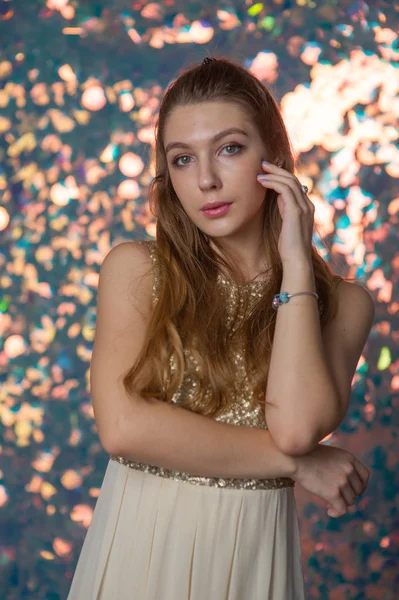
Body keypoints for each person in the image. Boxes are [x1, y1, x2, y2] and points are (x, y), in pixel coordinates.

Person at [67, 57, 374, 599]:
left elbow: (297, 427)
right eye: (182, 159)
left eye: (229, 148)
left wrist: (297, 263)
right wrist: (295, 465)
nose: (205, 179)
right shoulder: (138, 270)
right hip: (143, 552)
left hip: (255, 559)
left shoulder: (344, 303)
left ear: (275, 159)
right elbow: (123, 429)